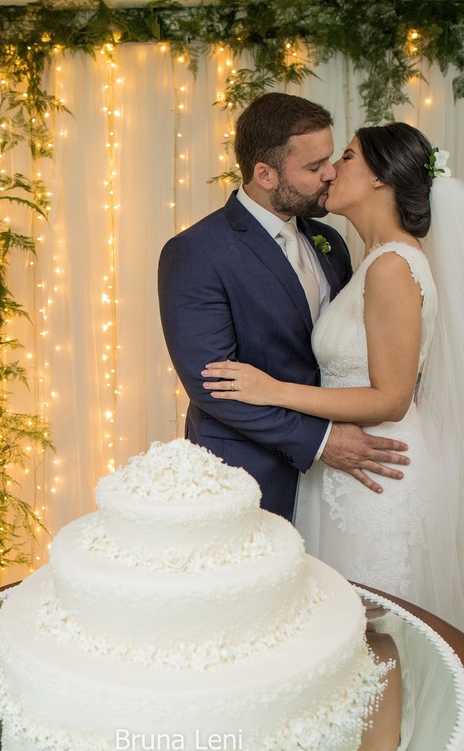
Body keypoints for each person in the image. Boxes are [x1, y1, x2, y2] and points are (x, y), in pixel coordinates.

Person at [201, 122, 464, 653]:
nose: (330, 172)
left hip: (376, 475)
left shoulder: (394, 265)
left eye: (345, 157)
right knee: (339, 630)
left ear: (380, 179)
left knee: (374, 633)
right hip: (344, 469)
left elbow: (391, 399)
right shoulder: (368, 259)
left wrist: (273, 390)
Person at [158, 93, 410, 521]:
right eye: (314, 167)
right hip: (246, 477)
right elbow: (214, 387)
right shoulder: (196, 252)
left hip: (340, 480)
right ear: (265, 174)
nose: (331, 174)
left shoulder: (328, 240)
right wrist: (321, 440)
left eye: (331, 159)